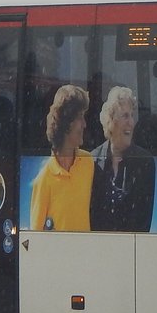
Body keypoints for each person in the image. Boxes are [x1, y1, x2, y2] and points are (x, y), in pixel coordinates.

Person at [90, 86, 156, 231]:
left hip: (131, 249)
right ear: (110, 120)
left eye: (132, 116)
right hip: (99, 247)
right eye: (125, 116)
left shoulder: (145, 162)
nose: (131, 123)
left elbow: (143, 221)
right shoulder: (92, 160)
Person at [28, 84, 93, 232]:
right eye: (80, 118)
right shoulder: (43, 179)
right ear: (66, 123)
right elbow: (36, 235)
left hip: (87, 253)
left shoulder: (89, 162)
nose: (84, 124)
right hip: (58, 255)